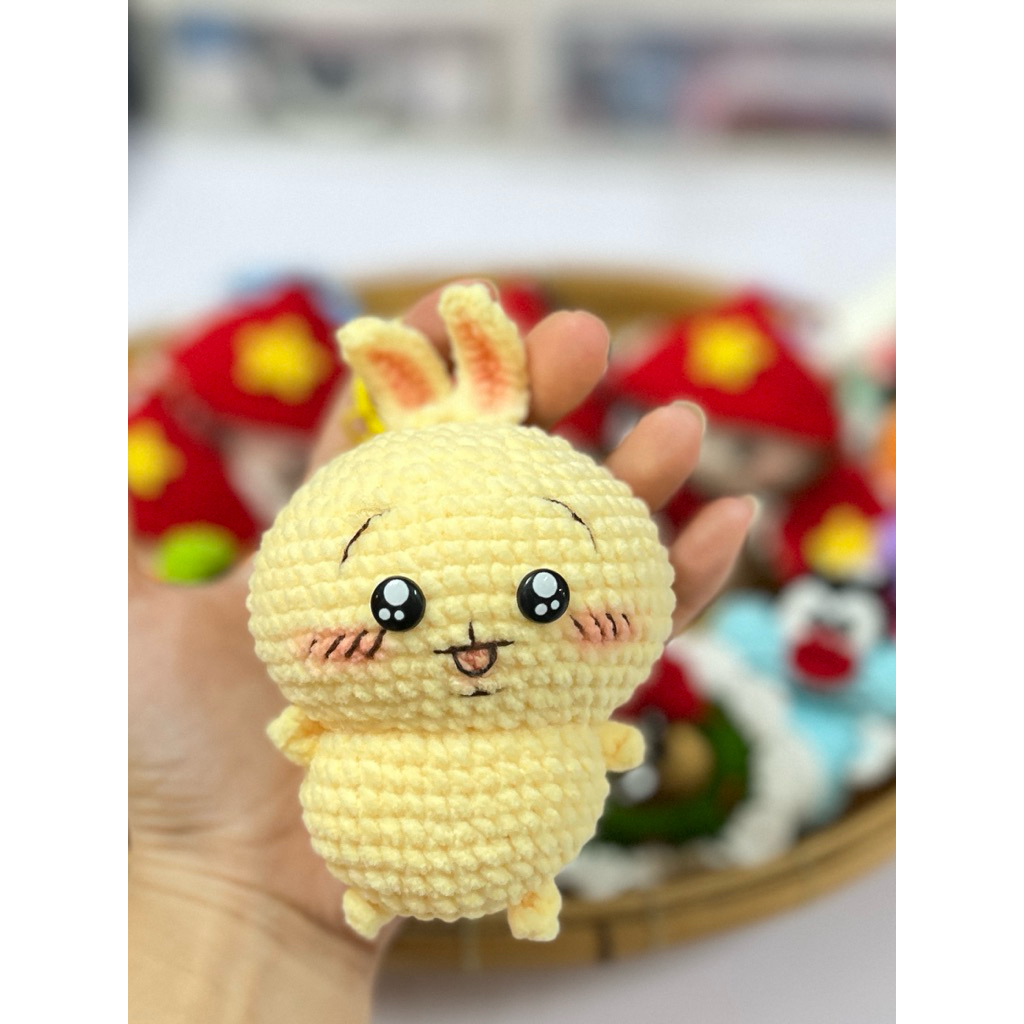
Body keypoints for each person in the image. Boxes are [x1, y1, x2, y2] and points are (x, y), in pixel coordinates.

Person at [128, 282, 756, 1023]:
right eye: (398, 605)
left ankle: (517, 887)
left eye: (543, 597)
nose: (471, 637)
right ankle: (476, 890)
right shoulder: (324, 637)